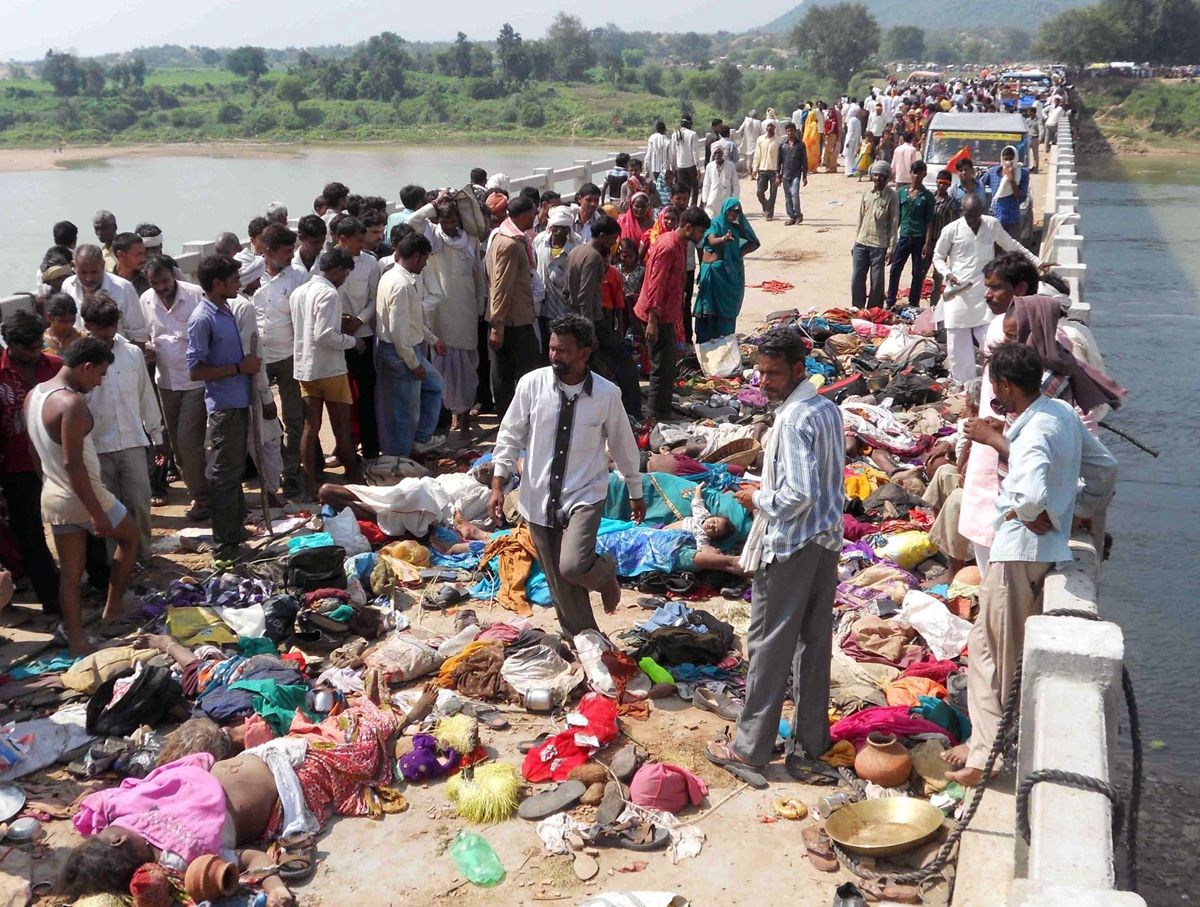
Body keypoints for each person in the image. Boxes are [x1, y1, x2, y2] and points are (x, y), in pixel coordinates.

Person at [944, 342, 1117, 786]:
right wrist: (1078, 511)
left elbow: (1031, 493)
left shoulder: (1036, 432)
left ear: (1004, 385)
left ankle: (986, 756)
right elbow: (1105, 467)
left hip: (1017, 554)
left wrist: (1032, 511)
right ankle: (991, 745)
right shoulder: (1057, 413)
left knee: (991, 657)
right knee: (1003, 651)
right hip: (1048, 553)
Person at [705, 329, 844, 787]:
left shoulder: (794, 419)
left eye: (774, 373)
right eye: (761, 372)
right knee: (812, 644)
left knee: (768, 645)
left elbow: (798, 494)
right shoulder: (826, 409)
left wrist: (756, 497)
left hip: (790, 544)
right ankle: (809, 744)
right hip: (824, 544)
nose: (764, 382)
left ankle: (750, 749)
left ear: (799, 370)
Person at [488, 314, 645, 637]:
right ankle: (584, 639)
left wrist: (635, 488)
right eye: (552, 349)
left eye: (563, 351)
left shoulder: (606, 394)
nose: (555, 357)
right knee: (560, 582)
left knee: (573, 564)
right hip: (538, 495)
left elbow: (622, 443)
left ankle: (605, 575)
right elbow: (510, 435)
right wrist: (498, 483)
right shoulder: (532, 385)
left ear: (584, 352)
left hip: (584, 494)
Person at [25, 337, 140, 655]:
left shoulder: (34, 396)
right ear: (86, 367)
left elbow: (36, 454)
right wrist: (97, 513)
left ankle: (77, 640)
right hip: (85, 493)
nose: (99, 382)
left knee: (71, 576)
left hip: (54, 494)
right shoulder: (71, 403)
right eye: (100, 375)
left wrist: (51, 484)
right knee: (130, 538)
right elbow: (72, 463)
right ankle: (113, 607)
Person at [80, 295, 163, 568]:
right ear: (88, 326)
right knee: (108, 509)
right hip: (96, 446)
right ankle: (116, 564)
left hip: (131, 441)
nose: (105, 336)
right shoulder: (79, 362)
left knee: (139, 503)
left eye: (109, 329)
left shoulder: (131, 354)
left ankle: (144, 556)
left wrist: (157, 434)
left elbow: (145, 396)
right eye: (98, 331)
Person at [187, 255, 259, 564]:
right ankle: (225, 543)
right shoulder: (202, 319)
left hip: (239, 401)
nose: (239, 284)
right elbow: (195, 371)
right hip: (224, 407)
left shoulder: (226, 310)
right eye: (233, 280)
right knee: (223, 476)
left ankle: (235, 531)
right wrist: (239, 368)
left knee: (234, 472)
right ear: (217, 284)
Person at [0, 311, 68, 616]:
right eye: (28, 348)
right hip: (15, 469)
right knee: (31, 537)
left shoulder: (55, 367)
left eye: (38, 345)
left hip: (57, 463)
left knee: (75, 523)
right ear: (10, 345)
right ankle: (52, 602)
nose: (35, 353)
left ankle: (92, 582)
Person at [931, 195, 1042, 382]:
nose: (973, 220)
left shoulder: (992, 225)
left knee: (990, 335)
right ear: (961, 212)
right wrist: (948, 273)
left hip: (985, 292)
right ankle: (962, 382)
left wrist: (1037, 261)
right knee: (958, 340)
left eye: (976, 216)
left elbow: (1011, 245)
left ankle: (994, 378)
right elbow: (938, 257)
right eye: (968, 216)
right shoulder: (951, 230)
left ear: (982, 213)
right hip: (959, 293)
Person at [288, 249, 365, 497]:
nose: (345, 278)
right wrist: (353, 342)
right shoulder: (330, 294)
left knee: (311, 428)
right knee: (341, 426)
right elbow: (323, 335)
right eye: (346, 273)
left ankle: (311, 484)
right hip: (330, 368)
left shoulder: (299, 292)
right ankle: (353, 477)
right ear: (337, 270)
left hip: (305, 369)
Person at [409, 198, 487, 434]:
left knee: (465, 369)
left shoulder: (470, 240)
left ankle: (463, 419)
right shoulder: (433, 239)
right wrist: (433, 203)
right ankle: (449, 418)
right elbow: (414, 220)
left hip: (466, 312)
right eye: (444, 220)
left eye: (452, 220)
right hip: (440, 314)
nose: (449, 225)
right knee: (442, 368)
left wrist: (481, 309)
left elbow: (479, 278)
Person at [142, 257, 211, 520]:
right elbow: (144, 336)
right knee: (177, 447)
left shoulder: (194, 295)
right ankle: (199, 490)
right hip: (165, 383)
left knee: (189, 441)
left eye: (164, 281)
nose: (161, 287)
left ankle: (202, 498)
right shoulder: (146, 300)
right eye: (155, 283)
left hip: (195, 382)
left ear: (173, 276)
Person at [247, 225, 307, 497]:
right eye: (286, 252)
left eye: (292, 250)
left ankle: (292, 472)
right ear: (267, 252)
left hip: (289, 357)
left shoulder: (298, 277)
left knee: (295, 418)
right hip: (257, 360)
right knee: (260, 417)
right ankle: (270, 472)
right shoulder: (249, 276)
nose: (290, 256)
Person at [375, 234, 447, 459]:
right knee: (406, 413)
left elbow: (411, 321)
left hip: (407, 349)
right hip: (401, 353)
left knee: (434, 385)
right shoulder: (401, 284)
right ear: (415, 257)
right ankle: (401, 462)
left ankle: (421, 439)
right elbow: (399, 332)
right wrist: (413, 363)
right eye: (424, 259)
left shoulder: (395, 278)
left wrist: (433, 340)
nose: (425, 264)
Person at [635, 207, 711, 420]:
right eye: (700, 232)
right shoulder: (669, 247)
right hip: (656, 316)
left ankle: (663, 408)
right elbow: (656, 284)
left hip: (666, 315)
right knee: (660, 367)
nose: (701, 237)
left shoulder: (679, 244)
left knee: (668, 365)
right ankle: (656, 415)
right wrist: (653, 320)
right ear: (688, 227)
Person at [565, 215, 642, 420]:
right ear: (602, 236)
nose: (613, 244)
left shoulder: (575, 252)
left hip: (575, 318)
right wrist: (590, 331)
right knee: (624, 364)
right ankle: (632, 411)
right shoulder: (593, 257)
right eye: (612, 239)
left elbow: (568, 291)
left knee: (592, 369)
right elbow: (585, 295)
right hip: (593, 322)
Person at [328, 216, 381, 462]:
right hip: (334, 339)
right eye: (359, 240)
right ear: (342, 240)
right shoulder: (325, 263)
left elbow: (373, 298)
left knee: (367, 395)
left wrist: (358, 321)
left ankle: (371, 449)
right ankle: (345, 448)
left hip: (362, 337)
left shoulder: (370, 263)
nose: (364, 244)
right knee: (339, 399)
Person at [486, 195, 541, 419]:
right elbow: (500, 286)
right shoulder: (509, 244)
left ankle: (511, 417)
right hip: (512, 321)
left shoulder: (504, 237)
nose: (535, 217)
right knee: (520, 371)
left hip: (515, 318)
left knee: (509, 370)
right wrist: (497, 326)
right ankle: (510, 418)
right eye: (533, 213)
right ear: (524, 214)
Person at [693, 199, 760, 342]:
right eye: (730, 210)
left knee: (725, 316)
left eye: (737, 211)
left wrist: (737, 252)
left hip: (728, 276)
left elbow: (754, 242)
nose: (733, 213)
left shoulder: (735, 228)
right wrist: (723, 239)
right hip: (713, 275)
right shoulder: (715, 223)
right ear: (724, 209)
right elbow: (711, 240)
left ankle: (724, 343)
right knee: (709, 313)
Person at [63, 245, 149, 344]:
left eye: (94, 272)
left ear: (103, 265)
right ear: (73, 266)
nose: (89, 278)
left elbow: (138, 335)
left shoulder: (124, 289)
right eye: (83, 273)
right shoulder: (68, 286)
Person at [886, 160, 935, 309]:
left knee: (917, 272)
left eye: (920, 173)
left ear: (924, 175)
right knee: (895, 269)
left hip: (919, 238)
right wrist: (892, 240)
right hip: (904, 236)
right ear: (910, 173)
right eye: (915, 173)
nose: (917, 176)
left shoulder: (927, 196)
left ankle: (913, 302)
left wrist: (927, 243)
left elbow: (929, 222)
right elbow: (897, 218)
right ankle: (890, 300)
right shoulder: (901, 193)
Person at [850, 161, 899, 310]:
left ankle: (873, 310)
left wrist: (891, 249)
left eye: (881, 176)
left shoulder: (892, 196)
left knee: (877, 281)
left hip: (879, 245)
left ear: (886, 178)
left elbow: (894, 223)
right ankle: (857, 307)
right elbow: (860, 218)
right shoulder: (866, 194)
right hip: (862, 242)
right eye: (875, 175)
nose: (877, 178)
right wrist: (855, 242)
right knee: (857, 278)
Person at [534, 206, 579, 361]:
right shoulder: (539, 241)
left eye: (564, 228)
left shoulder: (575, 247)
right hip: (542, 307)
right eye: (556, 228)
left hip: (563, 308)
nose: (559, 232)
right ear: (550, 227)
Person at [927, 169, 961, 305]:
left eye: (945, 183)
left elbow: (952, 225)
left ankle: (934, 305)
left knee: (937, 276)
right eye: (940, 182)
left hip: (941, 244)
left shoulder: (951, 203)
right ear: (936, 182)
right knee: (920, 273)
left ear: (949, 185)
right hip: (927, 242)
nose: (941, 185)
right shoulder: (930, 198)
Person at [979, 145, 1028, 240]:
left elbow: (1020, 197)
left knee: (1012, 251)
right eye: (1006, 159)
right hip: (995, 218)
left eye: (1011, 159)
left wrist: (1011, 180)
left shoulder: (1022, 173)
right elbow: (979, 185)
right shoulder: (993, 172)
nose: (1008, 162)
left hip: (1012, 219)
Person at [667, 116, 703, 206]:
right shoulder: (692, 134)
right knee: (695, 187)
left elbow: (673, 153)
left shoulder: (675, 134)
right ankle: (693, 205)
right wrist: (698, 168)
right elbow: (695, 152)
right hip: (691, 166)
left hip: (680, 167)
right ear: (690, 124)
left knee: (682, 189)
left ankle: (683, 205)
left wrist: (673, 167)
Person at [779, 121, 809, 226]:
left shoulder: (800, 145)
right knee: (787, 197)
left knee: (795, 194)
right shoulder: (783, 146)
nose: (790, 133)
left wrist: (805, 176)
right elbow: (779, 161)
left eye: (792, 131)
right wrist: (778, 176)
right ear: (786, 132)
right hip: (785, 175)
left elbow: (804, 161)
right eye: (788, 131)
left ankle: (798, 214)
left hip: (796, 174)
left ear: (795, 131)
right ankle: (791, 217)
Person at [751, 122, 782, 221]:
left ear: (775, 128)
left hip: (774, 170)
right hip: (762, 170)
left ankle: (769, 214)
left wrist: (780, 173)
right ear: (766, 128)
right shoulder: (760, 139)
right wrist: (754, 169)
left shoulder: (779, 141)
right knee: (759, 192)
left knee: (773, 193)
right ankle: (767, 206)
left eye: (772, 126)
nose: (770, 128)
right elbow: (757, 155)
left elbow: (781, 158)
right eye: (768, 126)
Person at [701, 144, 739, 218]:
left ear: (722, 153)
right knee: (712, 222)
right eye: (715, 153)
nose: (717, 155)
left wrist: (734, 201)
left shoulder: (730, 165)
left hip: (725, 201)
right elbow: (706, 184)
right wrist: (704, 200)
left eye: (719, 153)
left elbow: (735, 184)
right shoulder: (710, 166)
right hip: (712, 201)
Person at [111, 232, 149, 297]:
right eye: (138, 254)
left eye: (143, 253)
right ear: (121, 255)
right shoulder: (107, 282)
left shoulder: (148, 281)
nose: (143, 258)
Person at [841, 106, 863, 179]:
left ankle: (848, 171)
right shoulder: (858, 121)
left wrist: (848, 141)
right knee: (853, 157)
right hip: (856, 141)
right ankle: (852, 171)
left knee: (848, 157)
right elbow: (859, 132)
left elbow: (850, 132)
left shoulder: (851, 120)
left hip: (850, 141)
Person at [821, 101, 841, 174]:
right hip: (828, 137)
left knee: (832, 152)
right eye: (830, 110)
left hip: (832, 136)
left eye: (832, 110)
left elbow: (832, 129)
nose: (830, 111)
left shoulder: (834, 120)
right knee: (827, 152)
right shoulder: (828, 119)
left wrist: (827, 133)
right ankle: (828, 166)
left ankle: (832, 167)